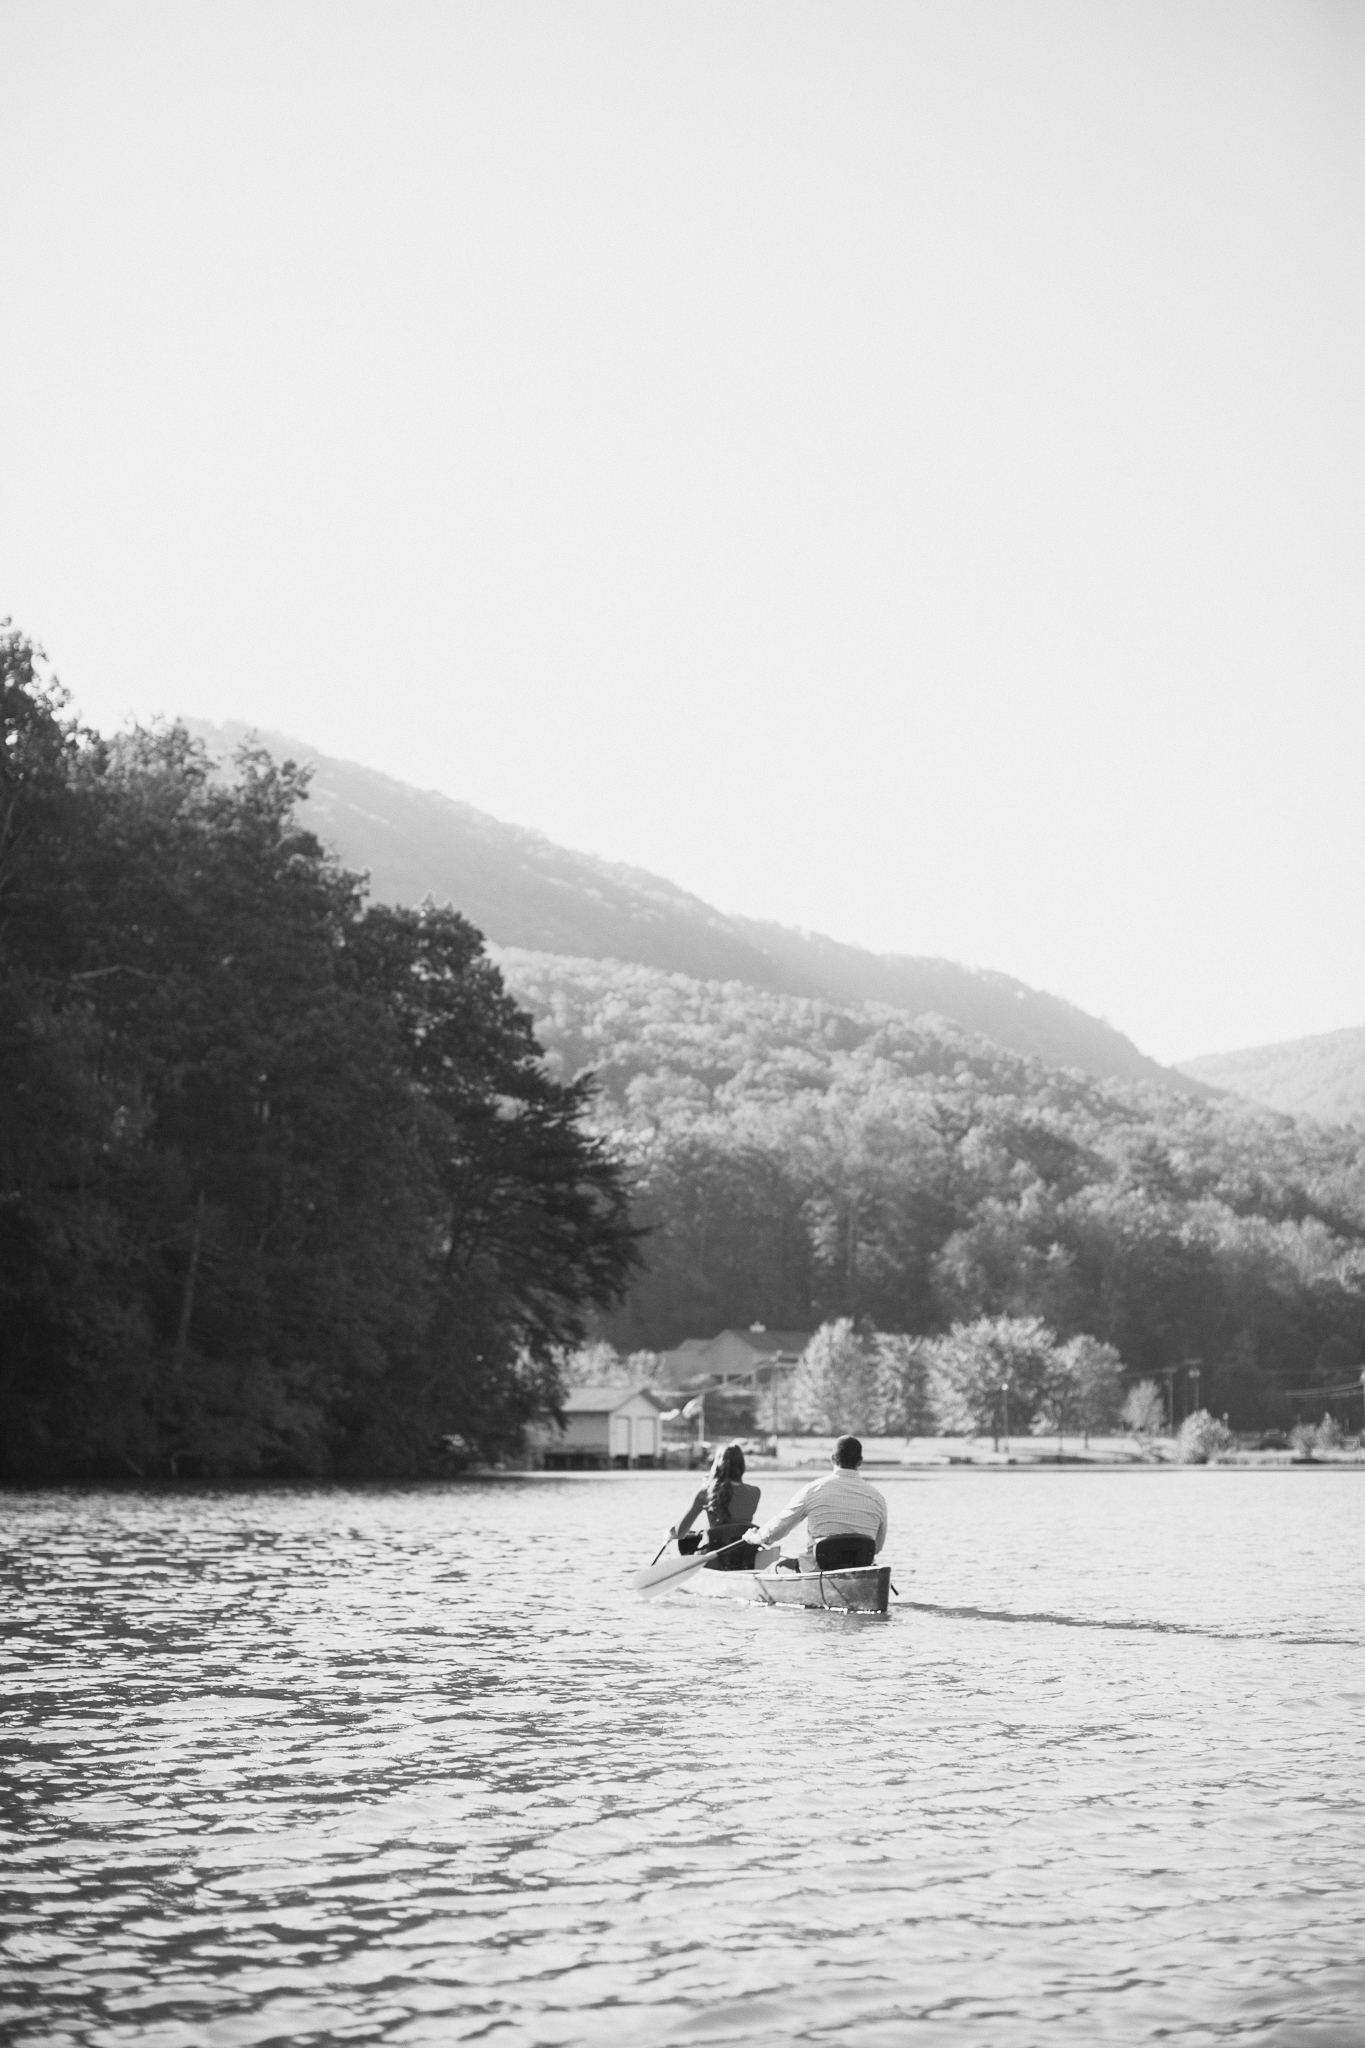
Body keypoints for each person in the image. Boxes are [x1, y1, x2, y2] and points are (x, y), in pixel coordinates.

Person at [751, 1435, 887, 1571]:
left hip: (817, 1571)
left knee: (773, 1568)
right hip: (860, 1572)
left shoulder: (812, 1490)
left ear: (832, 1459)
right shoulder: (878, 1498)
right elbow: (877, 1547)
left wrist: (755, 1537)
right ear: (860, 1462)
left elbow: (777, 1530)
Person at [670, 1443, 762, 1572]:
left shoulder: (705, 1493)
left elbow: (679, 1533)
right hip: (742, 1558)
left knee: (680, 1545)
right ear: (742, 1466)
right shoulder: (755, 1492)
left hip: (712, 1560)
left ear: (717, 1464)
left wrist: (667, 1535)